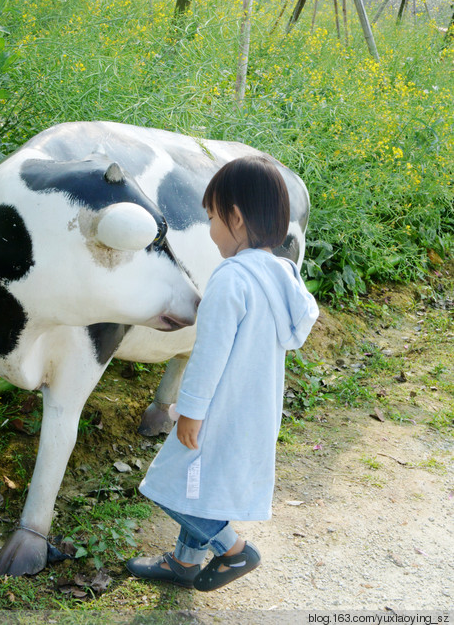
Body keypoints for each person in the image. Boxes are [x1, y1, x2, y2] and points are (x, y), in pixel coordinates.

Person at [126, 155, 319, 591]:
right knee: (200, 485)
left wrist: (189, 412)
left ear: (235, 217)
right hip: (254, 412)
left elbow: (209, 355)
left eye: (212, 217)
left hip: (218, 412)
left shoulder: (232, 279)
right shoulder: (283, 276)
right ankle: (184, 562)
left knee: (169, 486)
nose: (210, 229)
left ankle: (234, 551)